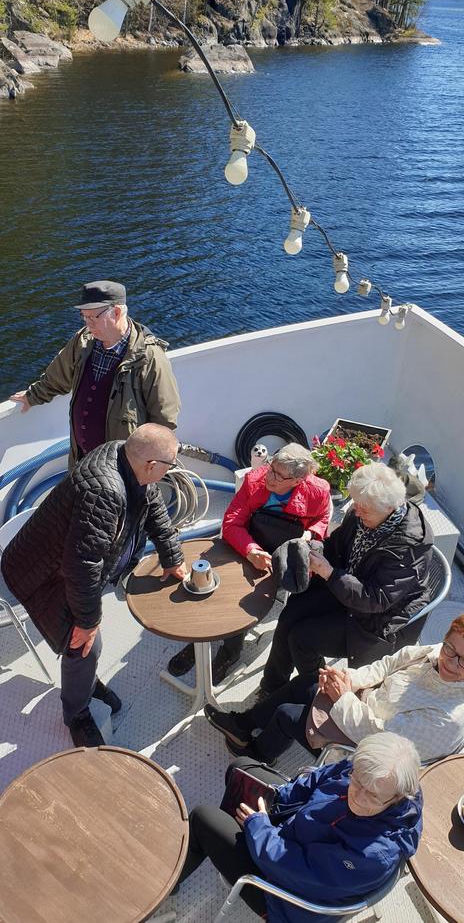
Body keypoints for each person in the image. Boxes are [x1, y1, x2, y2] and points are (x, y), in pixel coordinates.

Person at [1, 424, 187, 748]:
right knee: (86, 646)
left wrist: (172, 556)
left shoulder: (125, 454)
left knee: (86, 643)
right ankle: (77, 714)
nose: (170, 471)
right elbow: (82, 566)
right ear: (151, 465)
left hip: (66, 564)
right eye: (169, 465)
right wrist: (87, 622)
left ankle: (84, 682)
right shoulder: (105, 491)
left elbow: (153, 505)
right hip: (42, 574)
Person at [174, 732, 422, 923]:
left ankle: (169, 881)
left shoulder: (373, 855)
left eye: (373, 796)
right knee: (240, 769)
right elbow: (318, 778)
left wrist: (257, 826)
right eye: (356, 782)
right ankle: (225, 842)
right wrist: (278, 797)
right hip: (292, 834)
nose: (358, 797)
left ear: (399, 797)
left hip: (285, 896)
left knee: (203, 818)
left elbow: (294, 868)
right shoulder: (369, 771)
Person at [204, 609, 464, 764]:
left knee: (287, 715)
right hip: (363, 706)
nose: (451, 662)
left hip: (368, 752)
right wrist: (348, 680)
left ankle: (257, 757)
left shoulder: (448, 718)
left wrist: (344, 697)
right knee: (308, 681)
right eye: (450, 648)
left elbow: (379, 739)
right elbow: (386, 665)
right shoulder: (435, 653)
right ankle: (243, 726)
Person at [258, 462, 434, 696]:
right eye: (356, 505)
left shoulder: (408, 549)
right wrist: (310, 549)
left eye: (364, 510)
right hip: (348, 588)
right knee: (290, 614)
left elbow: (375, 599)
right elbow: (335, 546)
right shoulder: (363, 513)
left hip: (377, 619)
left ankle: (322, 697)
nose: (356, 512)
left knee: (302, 639)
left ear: (389, 508)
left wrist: (329, 573)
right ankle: (272, 688)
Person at [167, 444, 331, 683]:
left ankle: (231, 651)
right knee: (215, 587)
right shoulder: (255, 480)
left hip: (283, 555)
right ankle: (200, 640)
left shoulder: (318, 491)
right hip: (248, 544)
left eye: (278, 475)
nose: (269, 477)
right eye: (271, 468)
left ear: (298, 481)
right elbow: (232, 522)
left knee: (246, 603)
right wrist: (251, 550)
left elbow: (323, 518)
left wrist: (310, 534)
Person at [9, 280, 180, 469]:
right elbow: (57, 377)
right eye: (84, 317)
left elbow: (164, 419)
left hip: (122, 469)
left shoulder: (149, 357)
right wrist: (32, 396)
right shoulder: (82, 341)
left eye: (93, 317)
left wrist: (147, 466)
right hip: (82, 461)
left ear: (116, 312)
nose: (88, 325)